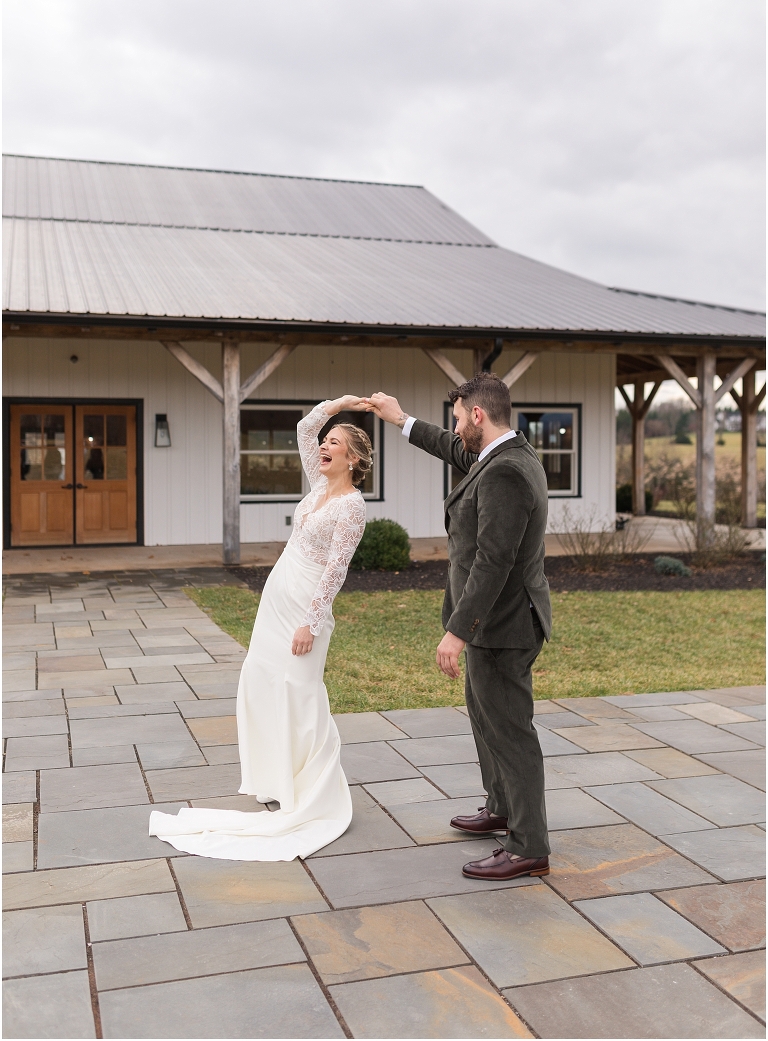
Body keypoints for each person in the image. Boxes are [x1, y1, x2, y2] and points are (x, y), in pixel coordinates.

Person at [149, 396, 372, 861]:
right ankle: (277, 779)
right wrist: (339, 406)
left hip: (307, 605)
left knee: (299, 689)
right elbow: (304, 426)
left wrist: (311, 622)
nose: (325, 446)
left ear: (353, 459)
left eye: (335, 444)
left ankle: (312, 789)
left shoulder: (352, 506)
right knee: (263, 681)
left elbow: (337, 569)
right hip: (276, 598)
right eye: (326, 443)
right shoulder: (316, 485)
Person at [366, 373, 552, 880]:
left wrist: (458, 629)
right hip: (495, 622)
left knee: (510, 730)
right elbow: (452, 449)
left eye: (457, 416)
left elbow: (493, 562)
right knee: (485, 715)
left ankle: (527, 845)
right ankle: (502, 806)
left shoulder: (505, 473)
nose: (454, 427)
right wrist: (400, 420)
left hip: (503, 624)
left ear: (477, 415)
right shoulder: (503, 455)